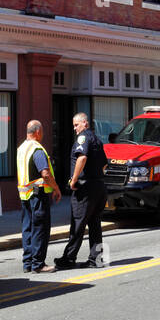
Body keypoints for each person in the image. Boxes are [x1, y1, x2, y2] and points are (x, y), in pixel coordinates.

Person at [55, 113, 108, 269]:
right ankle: (96, 259)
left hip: (85, 188)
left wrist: (74, 179)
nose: (74, 128)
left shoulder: (83, 138)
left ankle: (69, 258)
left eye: (76, 125)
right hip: (99, 186)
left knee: (78, 224)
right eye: (73, 125)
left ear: (85, 123)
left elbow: (82, 158)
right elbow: (105, 164)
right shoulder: (97, 140)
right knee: (95, 225)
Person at [16, 119, 60, 274]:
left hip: (25, 195)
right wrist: (56, 188)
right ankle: (38, 264)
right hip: (38, 194)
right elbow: (45, 174)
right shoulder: (37, 149)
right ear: (38, 132)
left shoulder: (21, 148)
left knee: (27, 228)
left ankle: (27, 263)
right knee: (40, 229)